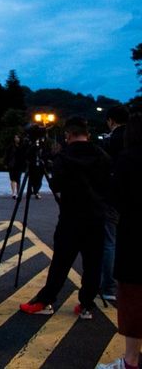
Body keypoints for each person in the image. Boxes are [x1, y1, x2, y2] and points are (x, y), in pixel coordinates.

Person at [20, 116, 111, 319]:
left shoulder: (64, 157)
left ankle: (46, 300)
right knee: (93, 263)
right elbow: (109, 185)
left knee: (61, 261)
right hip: (96, 216)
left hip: (71, 216)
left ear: (68, 134)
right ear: (87, 134)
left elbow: (56, 185)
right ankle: (87, 305)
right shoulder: (102, 155)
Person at [97, 113, 142, 369]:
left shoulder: (127, 159)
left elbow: (115, 198)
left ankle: (131, 361)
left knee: (133, 302)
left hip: (134, 237)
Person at [100, 104, 129, 302]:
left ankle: (109, 286)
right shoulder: (134, 138)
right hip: (132, 199)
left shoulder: (111, 141)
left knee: (109, 242)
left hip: (112, 197)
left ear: (111, 120)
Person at [4, 134, 24, 199]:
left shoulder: (22, 146)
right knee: (12, 179)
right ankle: (14, 193)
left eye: (17, 137)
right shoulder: (11, 146)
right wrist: (6, 163)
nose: (16, 138)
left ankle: (18, 192)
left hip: (19, 165)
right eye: (15, 137)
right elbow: (7, 155)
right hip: (12, 164)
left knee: (18, 179)